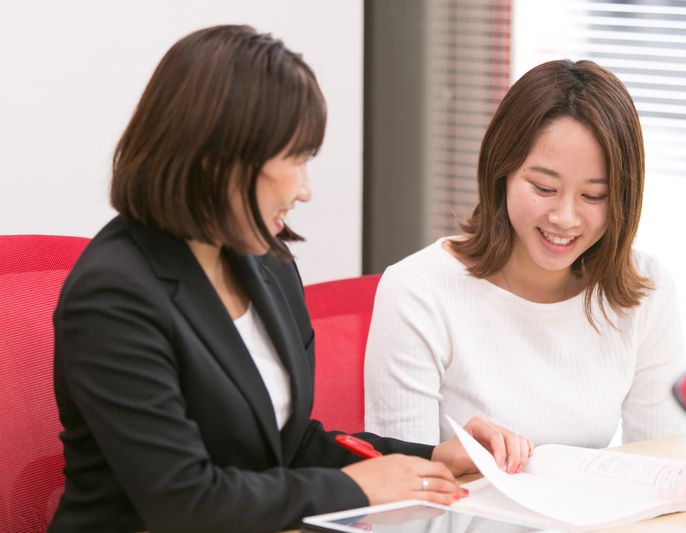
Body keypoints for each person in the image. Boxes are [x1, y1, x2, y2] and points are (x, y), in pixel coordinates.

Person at [49, 25, 532, 533]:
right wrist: (357, 489)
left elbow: (289, 444)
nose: (305, 190)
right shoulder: (113, 296)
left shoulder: (265, 262)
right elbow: (183, 501)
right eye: (296, 160)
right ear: (220, 161)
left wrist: (429, 457)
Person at [364, 59, 686, 449]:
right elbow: (405, 480)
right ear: (501, 172)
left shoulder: (646, 290)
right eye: (544, 188)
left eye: (593, 196)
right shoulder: (418, 291)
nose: (565, 218)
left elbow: (661, 462)